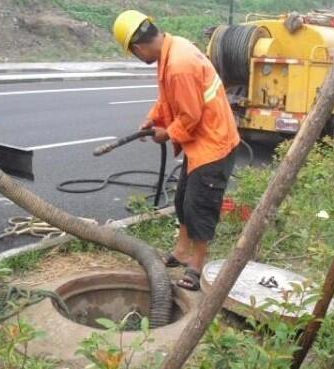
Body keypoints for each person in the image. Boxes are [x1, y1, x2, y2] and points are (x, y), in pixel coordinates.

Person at [112, 10, 240, 291]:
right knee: (183, 199)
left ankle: (197, 266)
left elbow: (190, 116)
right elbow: (170, 98)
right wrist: (154, 117)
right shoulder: (171, 49)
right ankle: (182, 251)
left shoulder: (178, 65)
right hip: (201, 143)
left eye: (133, 54)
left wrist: (166, 133)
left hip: (213, 143)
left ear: (136, 48)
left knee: (200, 206)